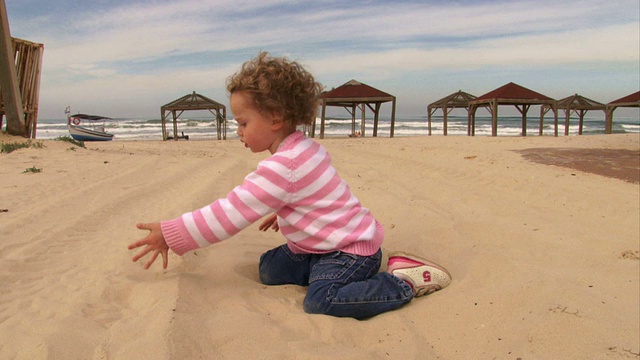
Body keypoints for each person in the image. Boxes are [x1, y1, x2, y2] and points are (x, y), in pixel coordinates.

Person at [127, 52, 451, 319]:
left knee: (321, 302)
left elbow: (230, 212)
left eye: (243, 122)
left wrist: (172, 233)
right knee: (268, 269)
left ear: (275, 118)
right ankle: (329, 274)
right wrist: (286, 209)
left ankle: (402, 283)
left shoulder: (285, 165)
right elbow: (315, 195)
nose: (238, 130)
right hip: (318, 246)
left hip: (351, 251)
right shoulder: (301, 149)